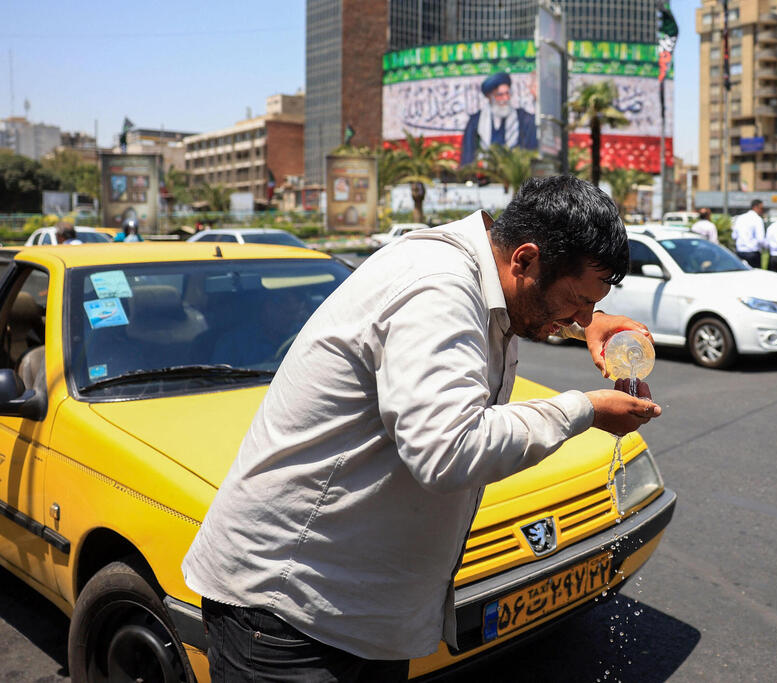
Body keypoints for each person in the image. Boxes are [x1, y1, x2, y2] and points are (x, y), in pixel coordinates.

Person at [181, 175, 661, 681]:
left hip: (354, 614)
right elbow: (448, 449)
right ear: (524, 258)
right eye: (577, 299)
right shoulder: (437, 287)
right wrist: (584, 409)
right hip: (289, 617)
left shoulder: (479, 272)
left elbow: (517, 305)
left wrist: (585, 322)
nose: (584, 313)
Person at [459, 71, 538, 166]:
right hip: (485, 176)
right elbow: (468, 156)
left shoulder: (524, 119)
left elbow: (531, 153)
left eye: (508, 93)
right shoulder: (475, 122)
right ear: (489, 97)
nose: (505, 98)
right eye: (500, 95)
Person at [731, 199, 766, 268]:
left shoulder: (740, 218)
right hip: (753, 253)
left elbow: (734, 236)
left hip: (740, 252)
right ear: (756, 207)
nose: (762, 211)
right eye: (762, 208)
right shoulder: (757, 219)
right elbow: (760, 239)